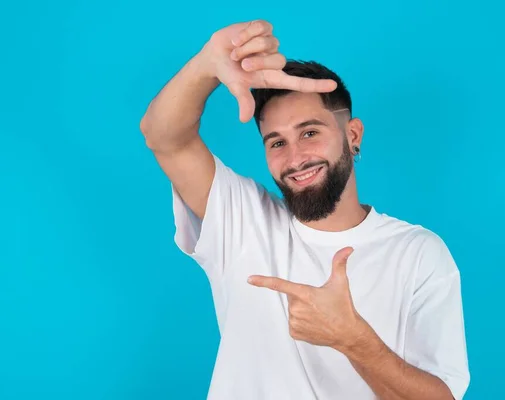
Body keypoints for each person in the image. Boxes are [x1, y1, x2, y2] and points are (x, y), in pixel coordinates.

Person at [140, 20, 470, 400]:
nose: (295, 158)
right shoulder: (244, 220)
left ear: (353, 135)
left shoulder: (419, 253)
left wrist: (352, 338)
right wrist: (206, 65)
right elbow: (163, 136)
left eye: (310, 132)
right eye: (276, 142)